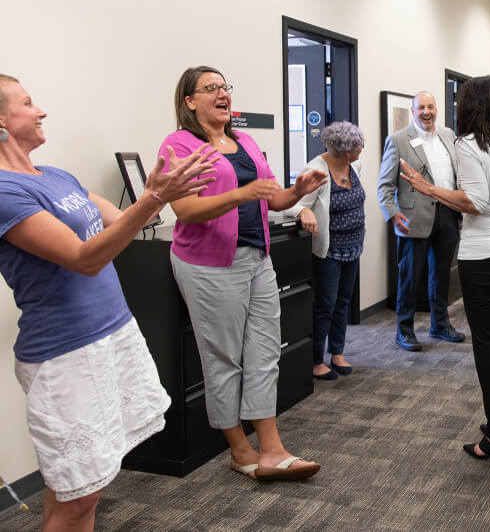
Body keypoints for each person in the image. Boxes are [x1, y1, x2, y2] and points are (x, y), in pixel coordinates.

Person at [0, 73, 215, 530]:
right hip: (66, 353)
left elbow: (123, 225)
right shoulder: (4, 191)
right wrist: (157, 196)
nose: (40, 111)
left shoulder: (56, 176)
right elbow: (84, 258)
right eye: (27, 103)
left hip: (111, 332)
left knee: (81, 486)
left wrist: (159, 196)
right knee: (80, 491)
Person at [159, 66, 326, 482]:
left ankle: (272, 449)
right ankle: (240, 450)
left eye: (225, 86)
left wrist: (299, 191)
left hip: (257, 258)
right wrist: (240, 194)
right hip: (208, 263)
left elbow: (273, 199)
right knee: (223, 358)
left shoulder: (245, 141)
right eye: (211, 88)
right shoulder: (178, 144)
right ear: (189, 101)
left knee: (265, 352)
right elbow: (185, 210)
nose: (222, 93)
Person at [399, 75, 490, 462]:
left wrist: (429, 189)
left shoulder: (468, 144)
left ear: (470, 106)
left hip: (484, 256)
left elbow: (475, 201)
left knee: (489, 342)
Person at [376, 91, 465, 351]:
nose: (427, 112)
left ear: (437, 109)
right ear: (413, 111)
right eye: (421, 108)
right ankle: (404, 331)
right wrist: (392, 214)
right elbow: (384, 185)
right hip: (412, 217)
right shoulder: (398, 140)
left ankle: (440, 324)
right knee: (409, 277)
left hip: (447, 212)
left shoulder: (448, 135)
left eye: (431, 107)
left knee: (441, 275)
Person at [289, 121, 365, 381]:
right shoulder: (316, 170)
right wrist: (304, 210)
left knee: (344, 301)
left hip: (353, 246)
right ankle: (314, 360)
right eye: (358, 146)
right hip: (329, 250)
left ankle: (337, 353)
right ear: (345, 151)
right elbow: (292, 203)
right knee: (325, 304)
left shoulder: (354, 166)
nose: (362, 148)